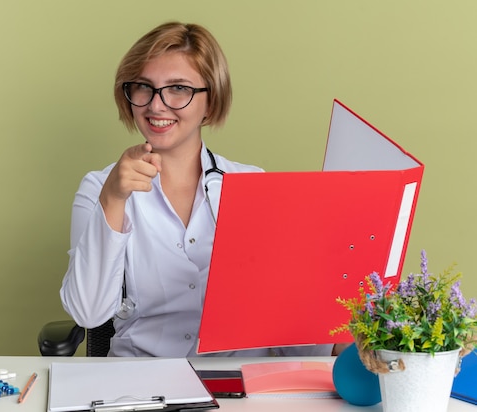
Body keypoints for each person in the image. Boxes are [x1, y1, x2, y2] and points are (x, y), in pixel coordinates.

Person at [60, 21, 334, 357]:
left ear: (211, 100)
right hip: (143, 380)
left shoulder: (253, 185)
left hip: (239, 382)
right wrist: (114, 199)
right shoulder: (99, 188)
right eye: (144, 87)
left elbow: (286, 322)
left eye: (178, 88)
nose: (156, 105)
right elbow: (87, 313)